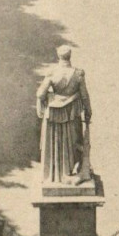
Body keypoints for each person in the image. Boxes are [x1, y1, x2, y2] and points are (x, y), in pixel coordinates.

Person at [36, 45, 92, 185]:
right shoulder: (78, 74)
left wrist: (46, 102)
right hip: (71, 113)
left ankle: (55, 175)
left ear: (58, 56)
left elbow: (40, 94)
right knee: (72, 143)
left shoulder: (52, 73)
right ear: (70, 56)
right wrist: (88, 111)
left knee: (56, 143)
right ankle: (69, 173)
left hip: (54, 114)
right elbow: (85, 96)